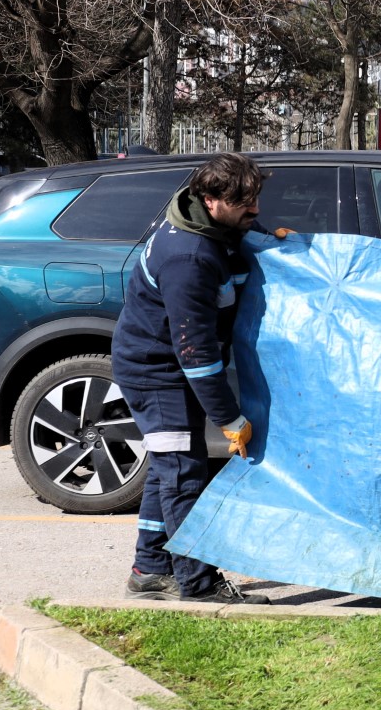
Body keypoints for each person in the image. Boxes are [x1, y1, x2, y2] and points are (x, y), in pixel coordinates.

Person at [113, 153, 270, 604]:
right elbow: (195, 353)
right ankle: (199, 587)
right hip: (157, 372)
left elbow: (238, 232)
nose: (255, 209)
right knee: (183, 475)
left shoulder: (203, 222)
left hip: (160, 364)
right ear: (210, 198)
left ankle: (150, 570)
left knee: (168, 472)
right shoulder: (188, 257)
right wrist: (229, 418)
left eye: (256, 198)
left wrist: (268, 237)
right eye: (245, 202)